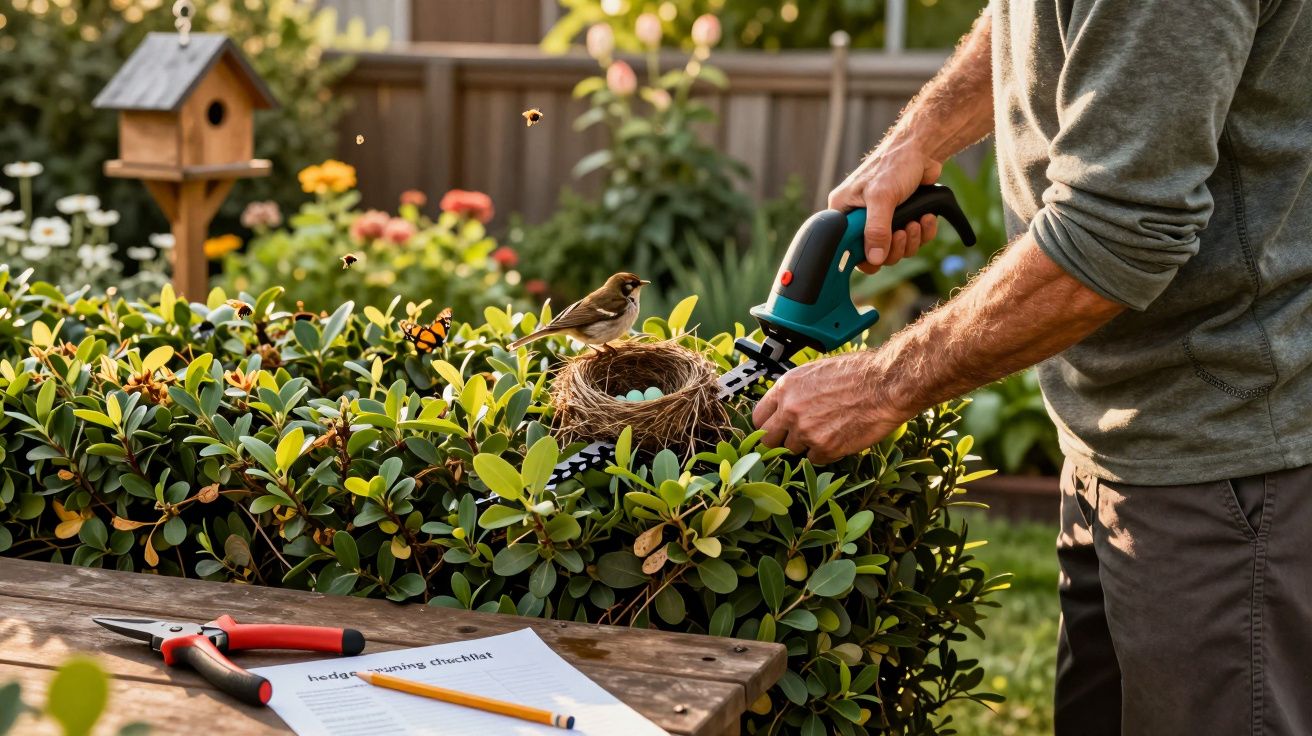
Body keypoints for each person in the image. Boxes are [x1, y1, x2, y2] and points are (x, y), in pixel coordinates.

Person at [752, 1, 1312, 733]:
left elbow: (1118, 231)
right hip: (1117, 437)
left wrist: (878, 386)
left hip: (1221, 463)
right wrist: (920, 136)